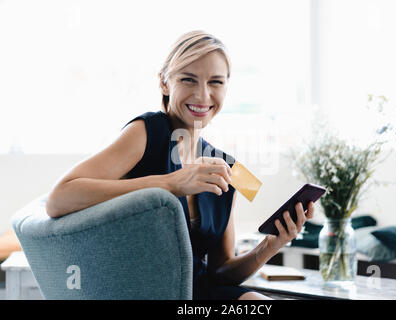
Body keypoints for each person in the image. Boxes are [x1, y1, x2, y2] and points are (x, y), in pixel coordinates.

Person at [45, 30, 315, 300]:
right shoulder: (147, 133)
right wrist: (171, 184)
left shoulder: (229, 168)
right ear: (164, 83)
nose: (203, 95)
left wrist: (270, 245)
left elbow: (220, 272)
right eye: (188, 79)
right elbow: (59, 198)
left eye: (216, 82)